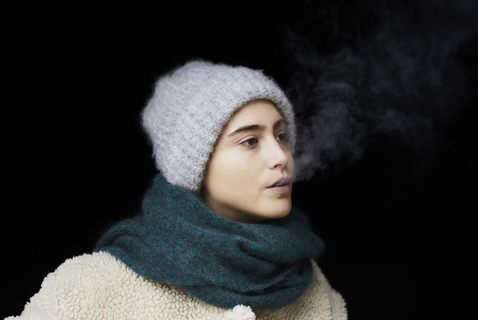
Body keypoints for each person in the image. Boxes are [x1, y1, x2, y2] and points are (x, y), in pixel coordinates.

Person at [6, 60, 347, 320]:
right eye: (250, 141)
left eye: (282, 136)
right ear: (194, 164)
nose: (281, 156)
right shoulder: (94, 286)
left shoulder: (309, 281)